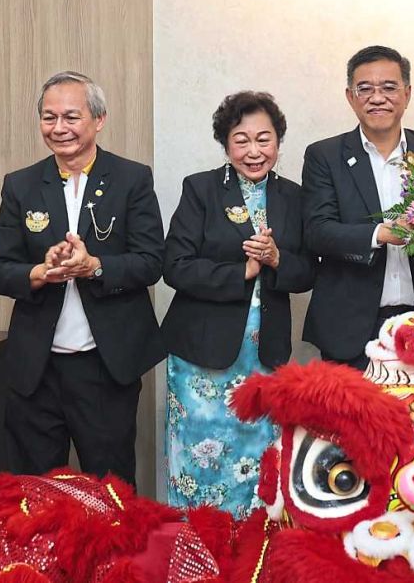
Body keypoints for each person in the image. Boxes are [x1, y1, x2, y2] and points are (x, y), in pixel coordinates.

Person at [0, 71, 165, 485]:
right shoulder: (21, 185)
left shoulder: (131, 179)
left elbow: (151, 261)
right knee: (34, 492)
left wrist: (94, 267)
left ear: (98, 120)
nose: (59, 128)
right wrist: (39, 271)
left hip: (105, 364)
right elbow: (1, 269)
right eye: (49, 117)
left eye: (71, 116)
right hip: (37, 367)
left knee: (110, 490)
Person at [161, 91, 316, 515]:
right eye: (241, 140)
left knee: (260, 452)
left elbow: (308, 273)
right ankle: (197, 545)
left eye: (263, 139)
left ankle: (251, 550)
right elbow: (174, 265)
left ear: (278, 143)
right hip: (202, 357)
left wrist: (277, 259)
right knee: (199, 455)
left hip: (263, 354)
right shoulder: (201, 189)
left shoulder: (294, 197)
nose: (253, 151)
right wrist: (242, 272)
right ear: (226, 144)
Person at [301, 46, 414, 367]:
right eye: (365, 89)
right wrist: (380, 233)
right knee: (349, 417)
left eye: (389, 87)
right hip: (349, 325)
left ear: (407, 94)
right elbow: (317, 231)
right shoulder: (325, 156)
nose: (377, 97)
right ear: (350, 96)